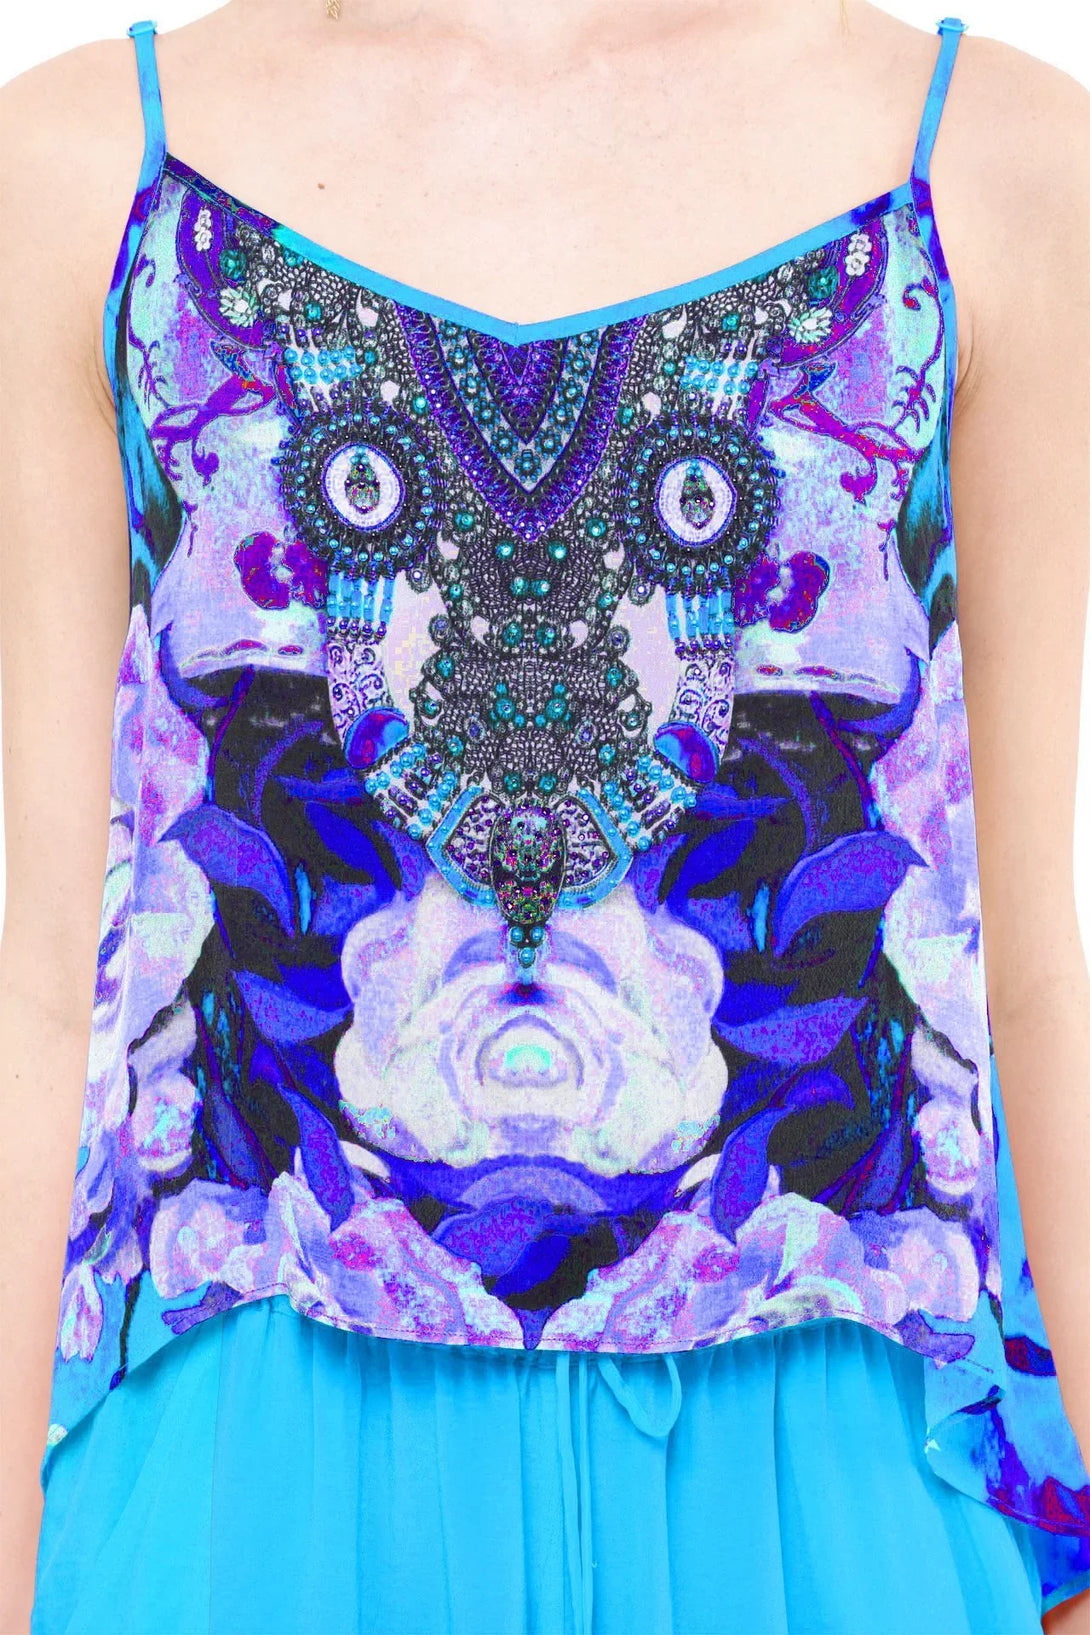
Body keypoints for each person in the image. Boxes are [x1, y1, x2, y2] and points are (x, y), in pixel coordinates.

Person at [1, 0, 1088, 1629]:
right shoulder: (89, 172)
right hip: (252, 1468)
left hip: (831, 1460)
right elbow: (45, 977)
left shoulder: (997, 164)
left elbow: (1024, 967)